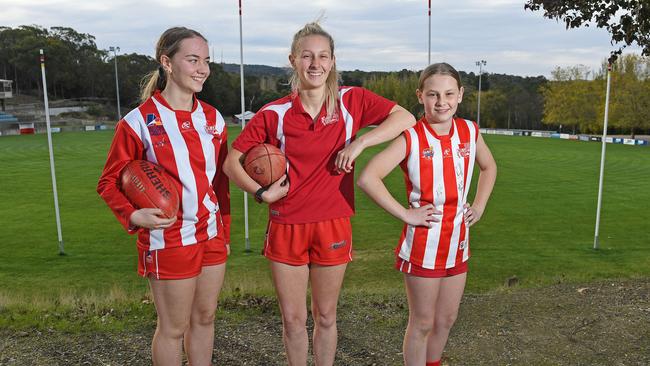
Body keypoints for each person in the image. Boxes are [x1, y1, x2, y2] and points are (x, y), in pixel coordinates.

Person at [223, 21, 415, 366]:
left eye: (323, 56)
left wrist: (360, 142)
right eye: (307, 56)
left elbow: (405, 118)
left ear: (332, 61)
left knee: (326, 316)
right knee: (294, 320)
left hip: (333, 223)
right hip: (287, 224)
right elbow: (231, 163)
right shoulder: (275, 113)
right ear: (293, 60)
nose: (315, 64)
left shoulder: (351, 101)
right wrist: (260, 193)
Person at [97, 27, 230, 366]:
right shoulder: (138, 122)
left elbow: (221, 184)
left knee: (205, 319)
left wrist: (224, 231)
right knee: (173, 327)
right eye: (193, 60)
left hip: (211, 234)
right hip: (168, 237)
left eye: (206, 61)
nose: (202, 69)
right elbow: (109, 182)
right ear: (167, 62)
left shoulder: (213, 119)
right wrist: (132, 216)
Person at [357, 62, 497, 366]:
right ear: (420, 96)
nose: (441, 102)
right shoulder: (412, 137)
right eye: (433, 94)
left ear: (460, 94)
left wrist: (480, 205)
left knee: (446, 319)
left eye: (449, 94)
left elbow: (489, 167)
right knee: (422, 322)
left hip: (458, 242)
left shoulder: (470, 131)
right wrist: (406, 214)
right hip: (424, 244)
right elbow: (368, 177)